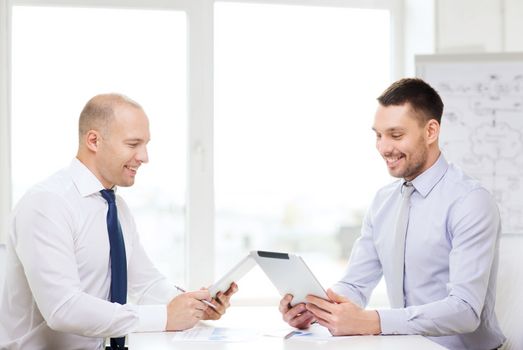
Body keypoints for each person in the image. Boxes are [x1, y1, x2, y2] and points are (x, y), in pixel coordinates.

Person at [279, 78, 505, 350]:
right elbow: (355, 285)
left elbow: (465, 311)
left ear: (431, 131)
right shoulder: (383, 201)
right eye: (378, 135)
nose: (384, 148)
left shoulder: (470, 202)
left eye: (396, 135)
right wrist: (317, 311)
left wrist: (372, 322)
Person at [0, 94, 238, 349]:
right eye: (133, 144)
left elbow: (146, 284)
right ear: (94, 141)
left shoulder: (116, 207)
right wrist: (166, 316)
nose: (144, 157)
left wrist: (195, 305)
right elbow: (63, 308)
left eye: (146, 144)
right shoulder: (47, 204)